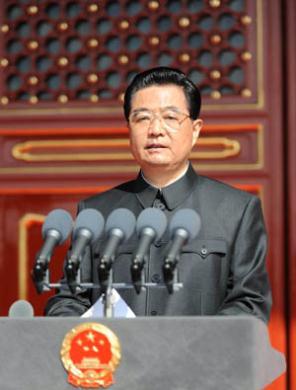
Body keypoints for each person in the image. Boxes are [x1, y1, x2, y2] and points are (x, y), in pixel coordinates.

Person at [45, 67, 272, 322]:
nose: (155, 130)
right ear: (128, 128)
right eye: (142, 118)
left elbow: (250, 304)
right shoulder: (96, 212)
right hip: (117, 359)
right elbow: (69, 298)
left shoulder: (237, 210)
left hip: (199, 360)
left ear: (195, 130)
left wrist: (184, 348)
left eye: (170, 117)